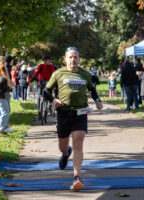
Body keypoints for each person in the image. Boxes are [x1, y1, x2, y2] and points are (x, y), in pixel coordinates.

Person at [43, 46, 103, 190]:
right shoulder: (58, 73)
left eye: (75, 57)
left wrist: (97, 100)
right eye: (70, 57)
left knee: (78, 142)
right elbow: (46, 90)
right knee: (63, 145)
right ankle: (65, 154)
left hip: (80, 113)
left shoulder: (85, 74)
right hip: (64, 113)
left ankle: (76, 176)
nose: (73, 59)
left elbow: (91, 89)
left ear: (79, 59)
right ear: (65, 59)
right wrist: (53, 100)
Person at [0, 56, 12, 135]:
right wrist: (10, 88)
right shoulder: (0, 70)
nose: (3, 61)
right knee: (6, 111)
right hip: (2, 94)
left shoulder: (1, 70)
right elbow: (5, 82)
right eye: (1, 60)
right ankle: (1, 128)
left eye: (4, 60)